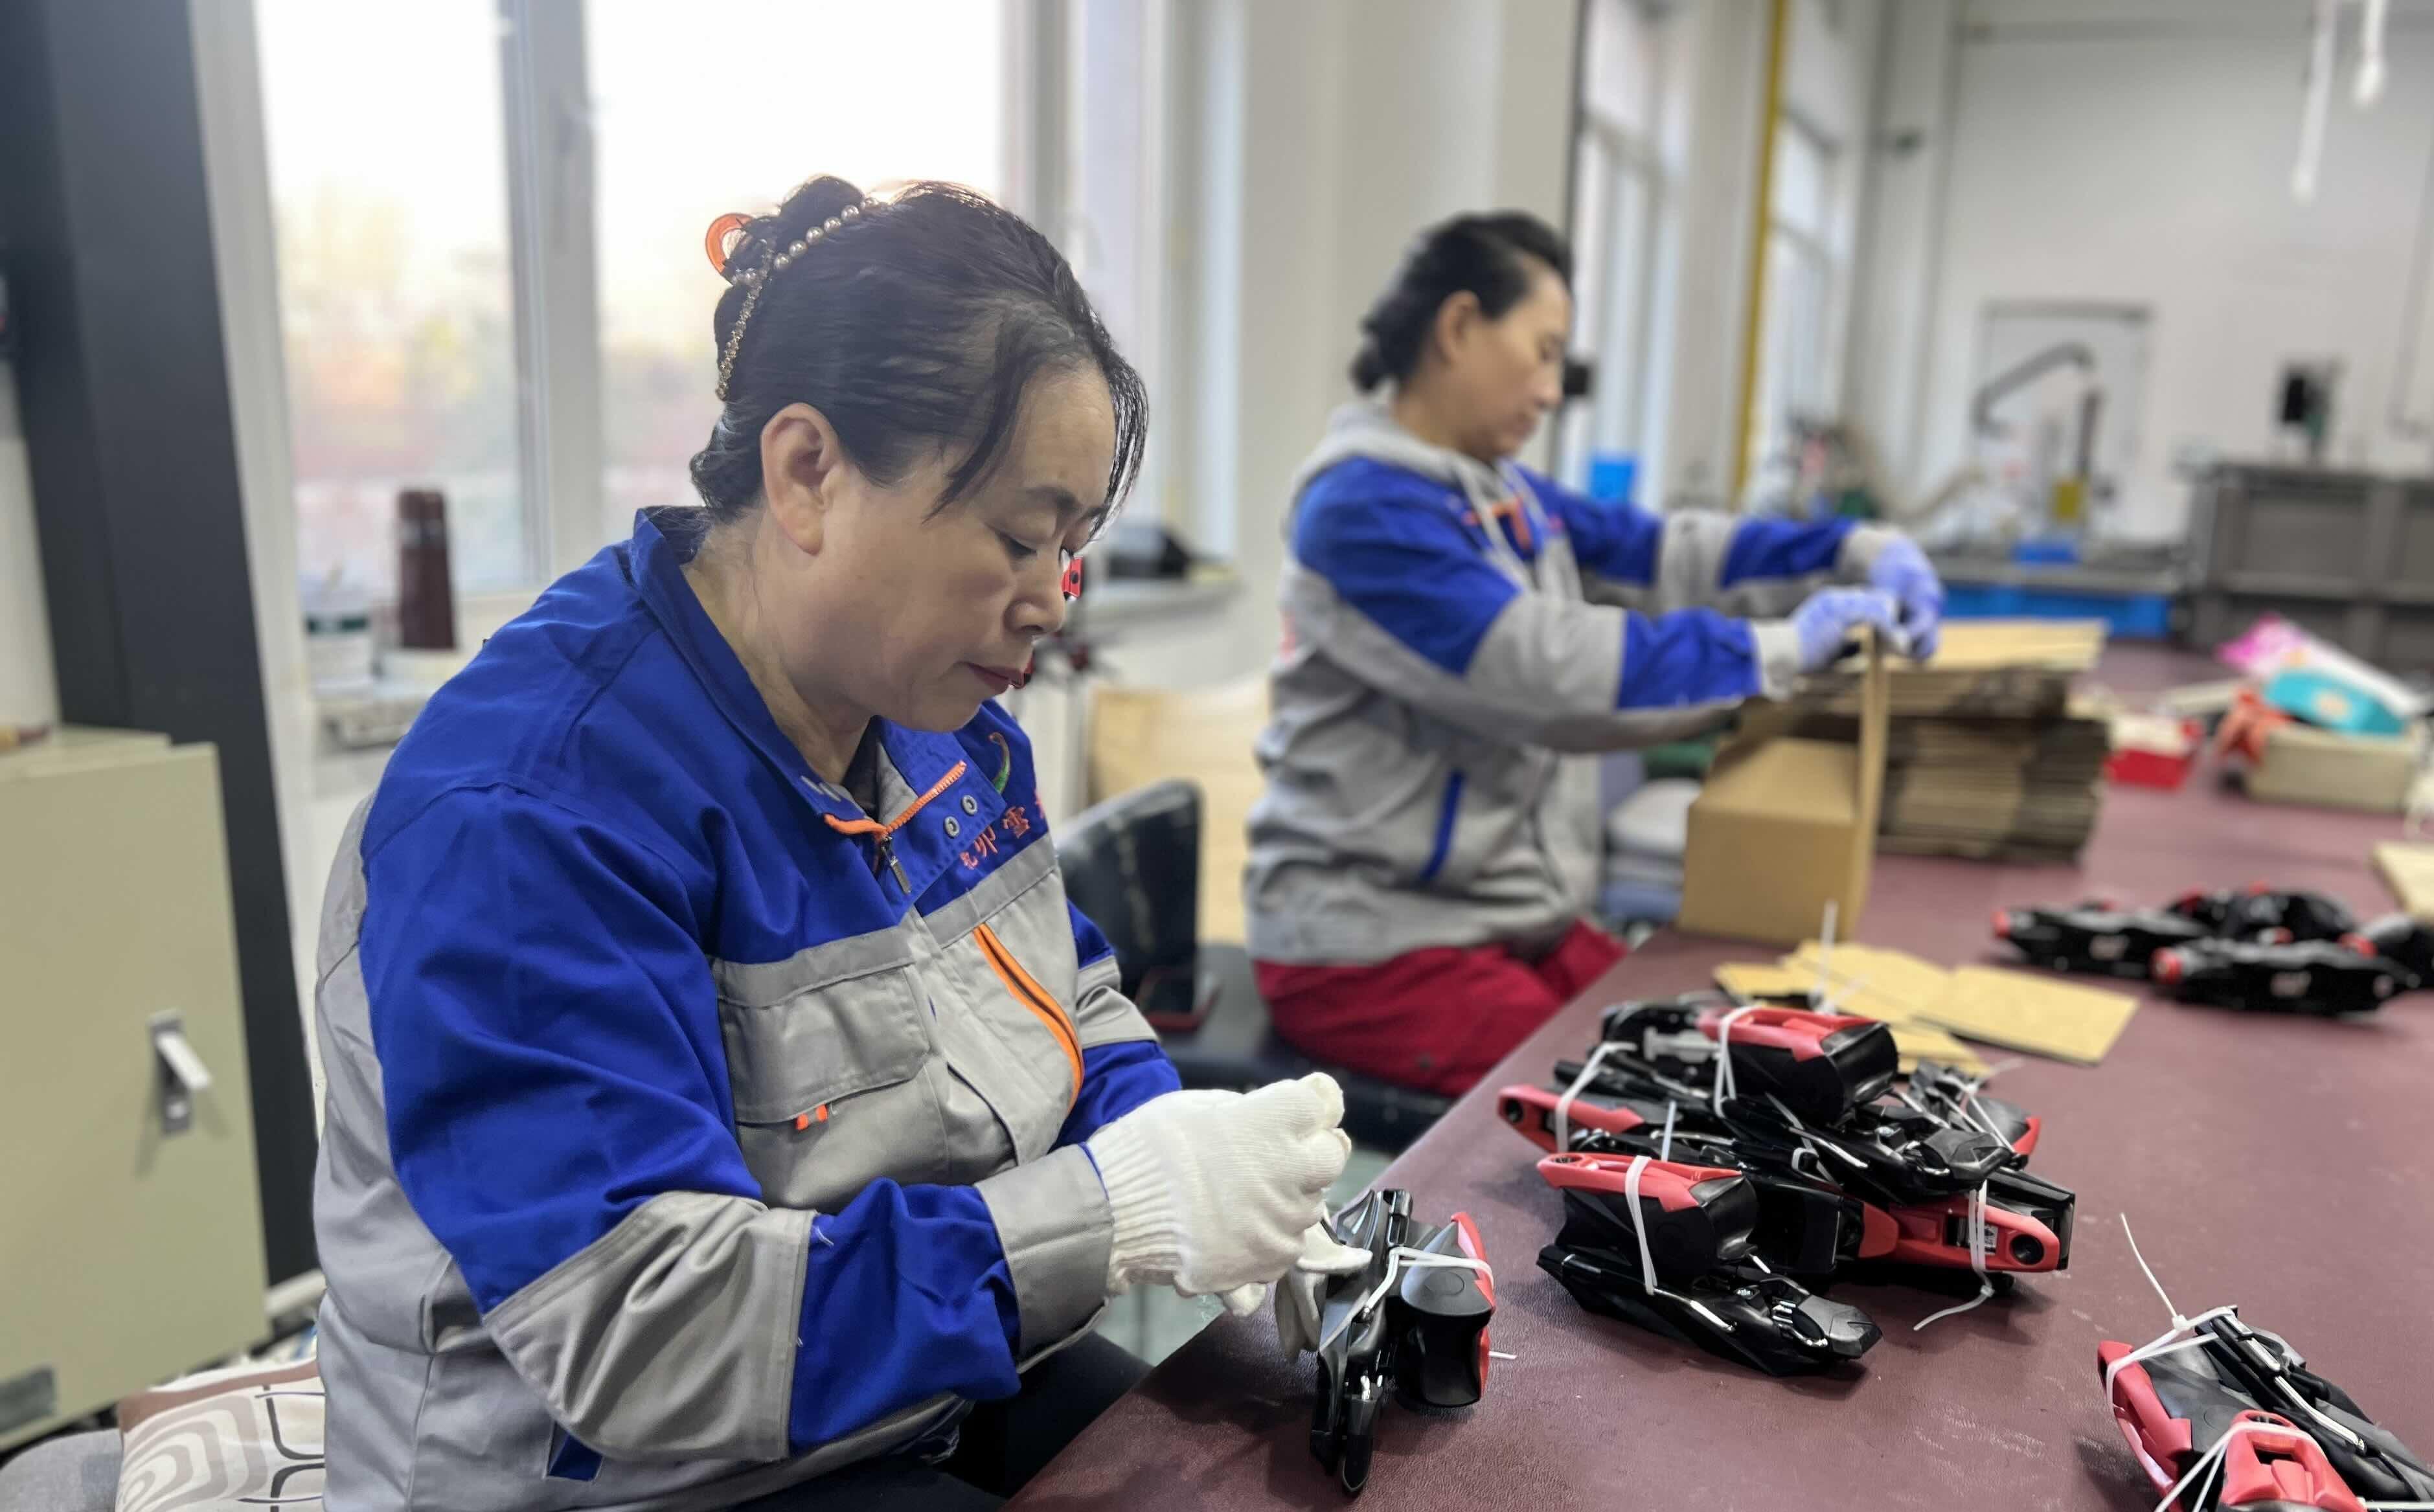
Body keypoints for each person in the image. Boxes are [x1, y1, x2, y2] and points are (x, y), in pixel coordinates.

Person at [309, 177, 1365, 1512]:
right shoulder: (528, 820)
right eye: (1019, 536)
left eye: (1073, 548)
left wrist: (1186, 1148)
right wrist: (1113, 1212)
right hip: (635, 1474)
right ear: (808, 472)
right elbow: (645, 1333)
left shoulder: (938, 724)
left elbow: (1068, 997)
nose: (1050, 603)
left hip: (894, 1385)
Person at [1245, 211, 1944, 1098]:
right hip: (1375, 947)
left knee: (1710, 1046)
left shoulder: (1500, 493)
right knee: (1646, 1101)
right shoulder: (1364, 509)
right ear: (1457, 327)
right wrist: (1778, 650)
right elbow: (1551, 677)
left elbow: (1663, 555)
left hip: (1501, 919)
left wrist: (1846, 550)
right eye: (1543, 353)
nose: (1550, 392)